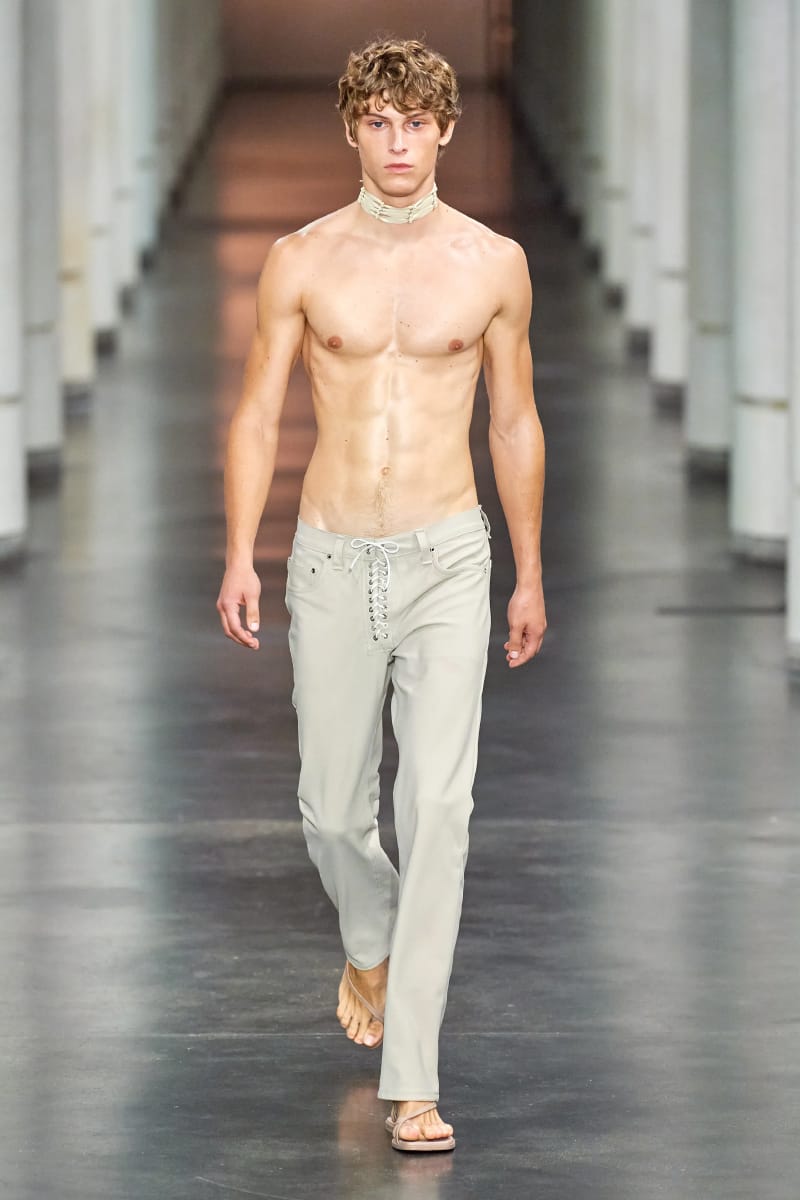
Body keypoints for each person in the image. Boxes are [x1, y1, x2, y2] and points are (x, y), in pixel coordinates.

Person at [216, 37, 546, 1153]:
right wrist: (240, 553)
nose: (398, 142)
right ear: (352, 129)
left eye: (416, 122)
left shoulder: (493, 264)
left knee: (439, 813)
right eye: (378, 121)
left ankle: (415, 1082)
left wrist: (527, 570)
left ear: (445, 130)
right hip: (330, 554)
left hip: (449, 556)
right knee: (328, 810)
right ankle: (369, 945)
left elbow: (513, 420)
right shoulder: (301, 260)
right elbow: (258, 412)